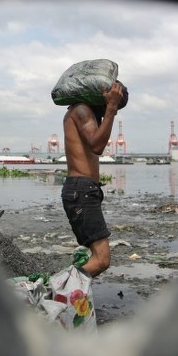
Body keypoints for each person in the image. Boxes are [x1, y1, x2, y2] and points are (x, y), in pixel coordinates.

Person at [61, 81, 126, 277]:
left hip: (84, 190)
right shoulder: (81, 110)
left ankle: (67, 294)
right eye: (108, 103)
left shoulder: (82, 112)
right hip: (81, 190)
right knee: (101, 259)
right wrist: (112, 109)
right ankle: (54, 294)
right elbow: (97, 145)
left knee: (96, 257)